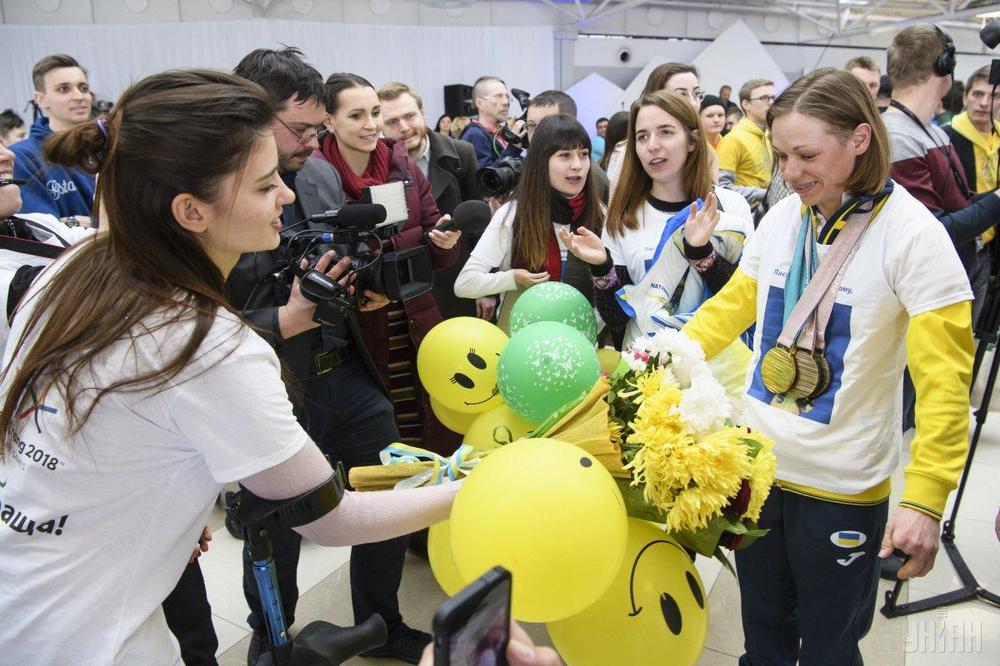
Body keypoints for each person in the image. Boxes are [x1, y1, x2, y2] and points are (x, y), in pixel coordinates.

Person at [0, 68, 460, 666]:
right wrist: (473, 491)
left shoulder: (71, 267)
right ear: (192, 210)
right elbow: (331, 520)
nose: (287, 197)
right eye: (266, 187)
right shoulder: (207, 345)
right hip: (88, 642)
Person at [680, 67, 972, 666]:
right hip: (758, 471)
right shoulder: (784, 218)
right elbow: (731, 308)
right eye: (781, 155)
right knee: (761, 635)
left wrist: (925, 498)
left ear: (860, 138)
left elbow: (945, 383)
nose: (789, 173)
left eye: (807, 155)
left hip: (843, 487)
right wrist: (662, 359)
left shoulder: (916, 236)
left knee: (830, 648)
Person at [229, 50, 437, 665]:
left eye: (316, 128)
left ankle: (381, 623)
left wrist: (361, 279)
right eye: (301, 129)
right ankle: (273, 639)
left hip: (343, 368)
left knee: (391, 485)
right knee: (280, 524)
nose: (310, 142)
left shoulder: (313, 173)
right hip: (273, 386)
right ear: (254, 113)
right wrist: (285, 318)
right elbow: (195, 324)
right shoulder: (214, 195)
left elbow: (335, 251)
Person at [316, 73, 462, 452]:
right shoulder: (315, 178)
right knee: (381, 437)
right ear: (329, 120)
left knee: (431, 428)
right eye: (356, 116)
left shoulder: (403, 167)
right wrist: (369, 288)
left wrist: (443, 241)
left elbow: (435, 246)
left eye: (375, 113)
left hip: (416, 319)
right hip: (359, 334)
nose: (371, 125)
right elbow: (319, 259)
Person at [558, 91, 752, 349]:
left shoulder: (730, 206)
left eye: (666, 132)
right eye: (642, 136)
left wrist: (702, 255)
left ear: (692, 141)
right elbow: (617, 319)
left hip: (719, 364)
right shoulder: (624, 217)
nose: (652, 146)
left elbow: (747, 302)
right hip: (646, 366)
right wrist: (602, 267)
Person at [454, 114, 603, 330]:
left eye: (584, 154)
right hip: (522, 340)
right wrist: (513, 278)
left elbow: (616, 289)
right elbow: (465, 283)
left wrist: (593, 326)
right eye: (565, 156)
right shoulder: (513, 213)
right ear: (542, 161)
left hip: (581, 341)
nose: (577, 165)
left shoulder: (600, 214)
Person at [378, 81, 482, 319]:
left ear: (423, 112)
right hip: (409, 291)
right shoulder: (378, 166)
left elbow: (478, 227)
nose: (404, 127)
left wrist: (485, 288)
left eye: (410, 116)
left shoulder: (461, 153)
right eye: (392, 122)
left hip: (458, 281)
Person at [10, 54, 95, 227]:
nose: (79, 96)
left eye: (83, 88)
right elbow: (45, 231)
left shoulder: (105, 147)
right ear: (41, 99)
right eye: (64, 89)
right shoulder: (24, 158)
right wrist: (94, 224)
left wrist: (89, 223)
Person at [944, 64, 1000, 327]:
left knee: (974, 330)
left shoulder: (998, 139)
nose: (984, 103)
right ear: (965, 97)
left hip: (988, 252)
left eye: (994, 96)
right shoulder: (945, 138)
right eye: (977, 94)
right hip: (955, 246)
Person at [607, 63, 704, 195]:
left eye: (696, 94)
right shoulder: (628, 155)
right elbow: (616, 202)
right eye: (681, 94)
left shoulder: (707, 152)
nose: (693, 103)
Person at [524, 90, 610, 201]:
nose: (537, 134)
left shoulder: (593, 180)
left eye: (546, 125)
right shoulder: (524, 169)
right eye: (531, 125)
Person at [716, 78, 776, 211]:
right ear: (746, 104)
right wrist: (766, 194)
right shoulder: (733, 139)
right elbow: (722, 188)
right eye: (764, 98)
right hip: (747, 214)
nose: (771, 103)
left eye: (773, 97)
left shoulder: (766, 135)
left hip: (767, 211)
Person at [460, 76, 525, 168]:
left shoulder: (500, 133)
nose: (506, 102)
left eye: (507, 97)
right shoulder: (475, 134)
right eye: (498, 96)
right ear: (480, 103)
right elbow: (486, 176)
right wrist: (513, 148)